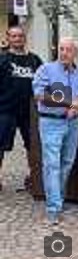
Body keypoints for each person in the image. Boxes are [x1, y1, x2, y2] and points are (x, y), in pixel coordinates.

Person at [32, 37, 78, 225]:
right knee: (52, 165)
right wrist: (68, 102)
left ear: (75, 53)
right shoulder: (45, 69)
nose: (64, 53)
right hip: (51, 122)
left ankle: (59, 199)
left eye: (68, 50)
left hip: (73, 123)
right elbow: (40, 95)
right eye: (61, 49)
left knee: (67, 162)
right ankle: (53, 209)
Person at [0, 25, 43, 192]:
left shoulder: (35, 60)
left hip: (30, 112)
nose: (17, 39)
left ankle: (34, 178)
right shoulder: (2, 60)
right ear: (8, 38)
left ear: (25, 38)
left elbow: (45, 81)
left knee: (32, 146)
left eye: (20, 36)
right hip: (5, 110)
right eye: (14, 36)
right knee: (0, 147)